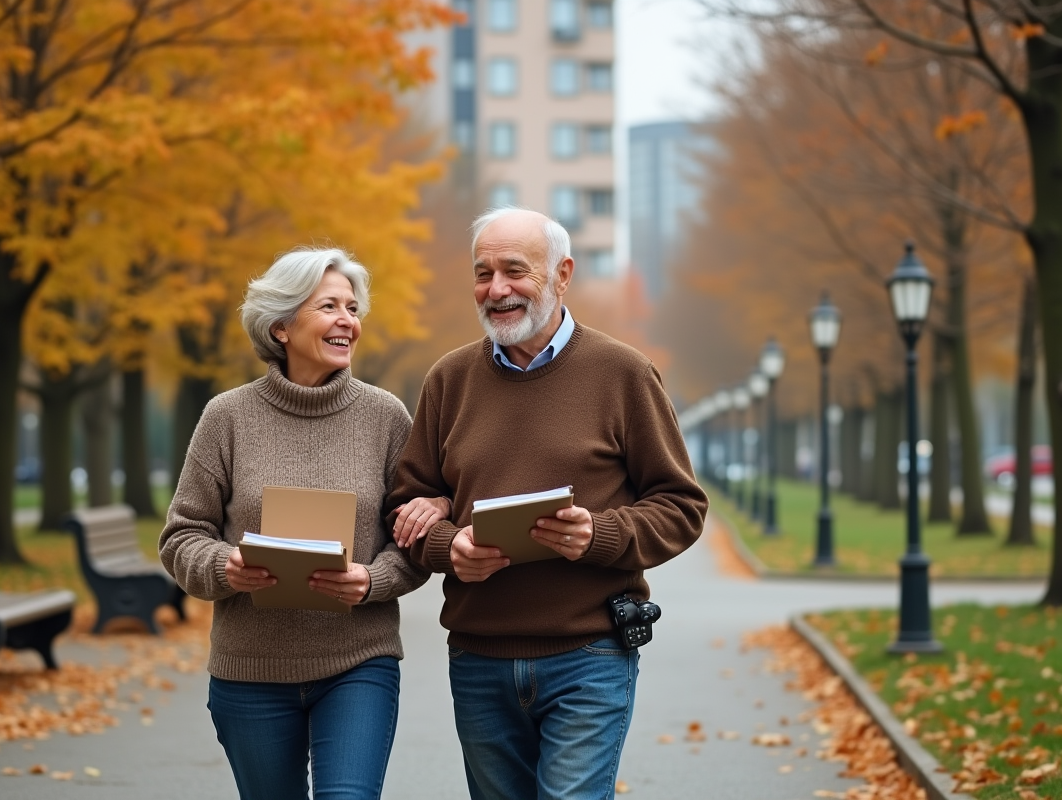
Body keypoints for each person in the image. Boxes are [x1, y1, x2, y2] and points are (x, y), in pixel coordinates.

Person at [388, 207, 709, 800]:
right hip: (479, 657)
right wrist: (448, 546)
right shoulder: (448, 381)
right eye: (483, 274)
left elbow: (681, 505)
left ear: (562, 274)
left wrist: (600, 535)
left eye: (515, 270)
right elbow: (407, 503)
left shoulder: (624, 374)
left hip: (588, 654)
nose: (497, 289)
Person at [159, 247, 441, 800]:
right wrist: (225, 565)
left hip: (358, 661)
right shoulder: (227, 417)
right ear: (282, 325)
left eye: (352, 308)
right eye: (329, 306)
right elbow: (181, 536)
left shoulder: (386, 417)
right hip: (250, 668)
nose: (347, 321)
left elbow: (412, 539)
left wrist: (373, 581)